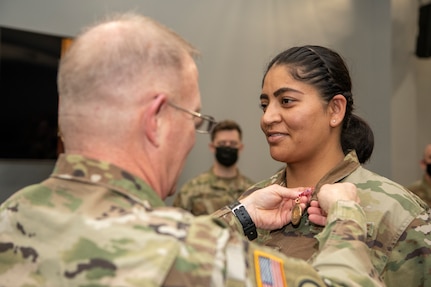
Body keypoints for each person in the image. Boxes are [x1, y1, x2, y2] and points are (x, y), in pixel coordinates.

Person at [0, 15, 383, 286]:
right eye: (194, 118)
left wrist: (241, 216)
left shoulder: (12, 214)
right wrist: (347, 212)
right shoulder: (184, 252)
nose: (193, 136)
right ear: (156, 120)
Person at [234, 45, 431, 287]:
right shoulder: (252, 206)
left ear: (335, 109)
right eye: (265, 105)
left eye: (286, 101)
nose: (267, 118)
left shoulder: (397, 214)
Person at [173, 120, 255, 215]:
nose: (227, 147)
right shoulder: (192, 190)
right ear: (212, 147)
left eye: (233, 144)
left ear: (240, 148)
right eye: (222, 143)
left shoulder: (251, 191)